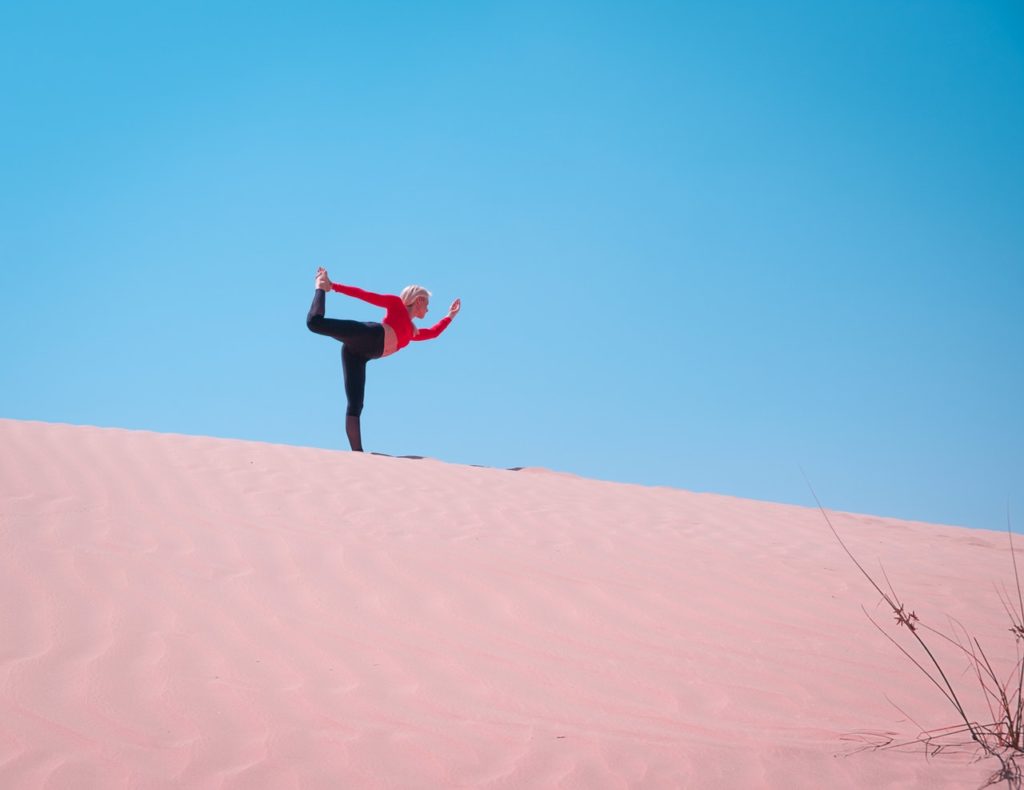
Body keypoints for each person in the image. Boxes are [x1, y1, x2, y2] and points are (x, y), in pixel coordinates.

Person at [306, 267, 461, 451]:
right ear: (418, 300)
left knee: (356, 404)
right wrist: (334, 286)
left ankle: (358, 453)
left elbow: (434, 333)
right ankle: (321, 286)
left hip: (358, 355)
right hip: (369, 335)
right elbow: (367, 295)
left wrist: (450, 315)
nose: (427, 309)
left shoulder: (411, 332)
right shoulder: (396, 305)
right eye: (426, 304)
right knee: (315, 323)